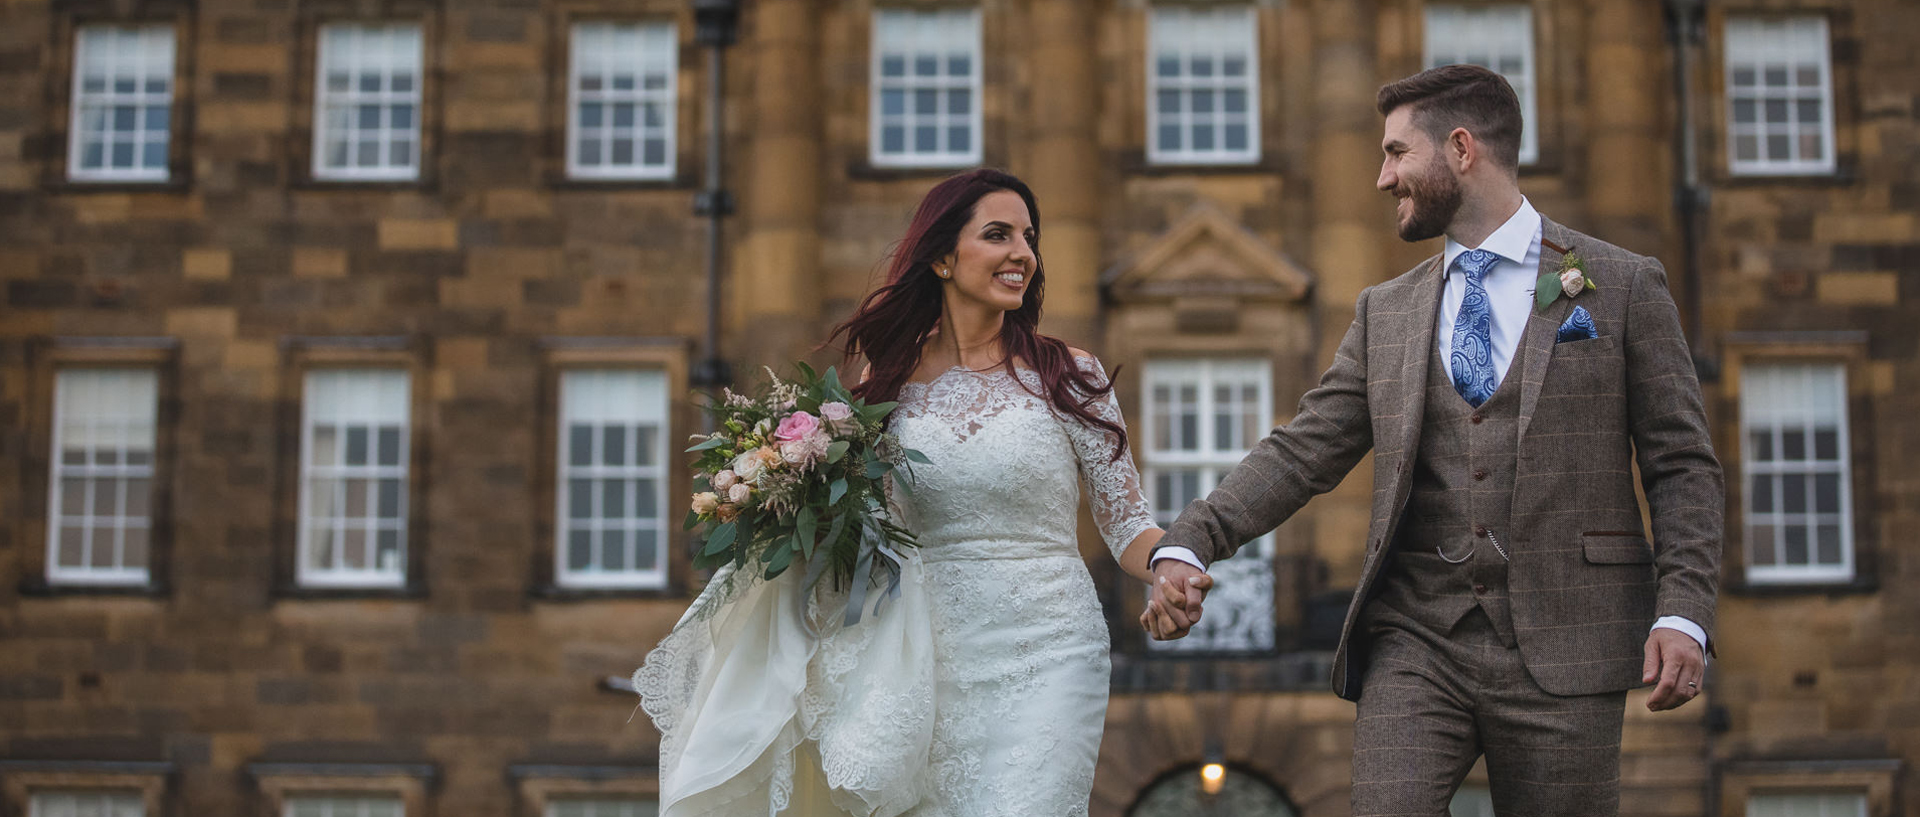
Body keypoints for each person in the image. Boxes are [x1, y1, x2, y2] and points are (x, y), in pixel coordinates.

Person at [1141, 64, 1723, 816]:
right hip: (1418, 641)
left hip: (1568, 642)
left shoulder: (1621, 283)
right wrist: (1192, 539)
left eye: (1395, 153)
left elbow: (1683, 465)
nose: (1383, 178)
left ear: (1460, 148)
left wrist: (1683, 609)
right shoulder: (1387, 311)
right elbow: (1304, 447)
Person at [635, 168, 1186, 817]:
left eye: (1029, 238)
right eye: (998, 234)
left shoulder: (1070, 375)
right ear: (944, 257)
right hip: (926, 659)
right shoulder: (884, 384)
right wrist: (784, 491)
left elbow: (1128, 524)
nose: (1022, 254)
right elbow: (860, 528)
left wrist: (1166, 563)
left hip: (1052, 649)